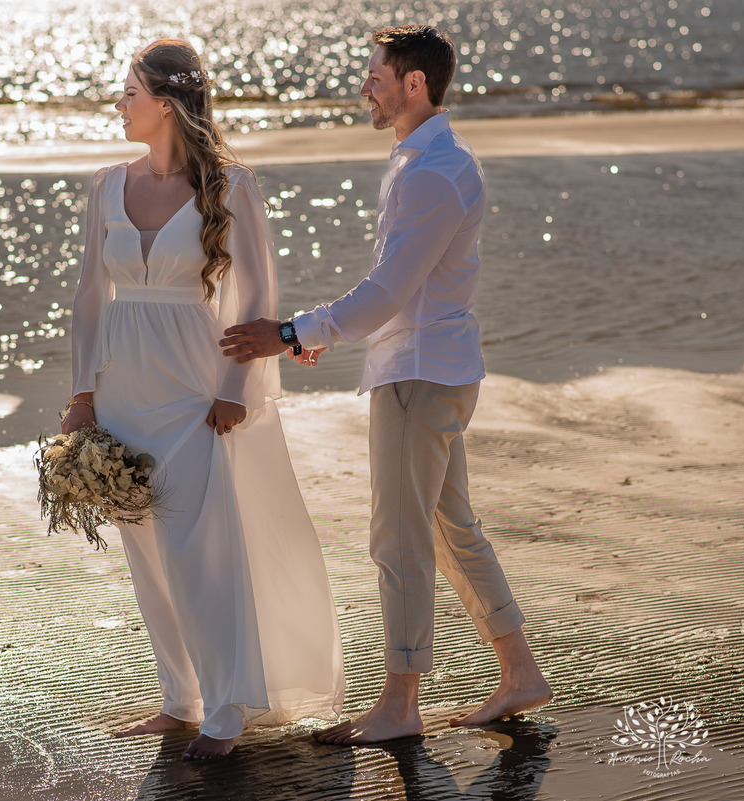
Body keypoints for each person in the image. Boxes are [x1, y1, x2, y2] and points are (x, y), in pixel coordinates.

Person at [219, 25, 552, 745]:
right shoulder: (427, 158)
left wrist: (293, 330)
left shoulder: (433, 171)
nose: (366, 84)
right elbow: (398, 291)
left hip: (420, 377)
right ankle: (520, 672)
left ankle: (400, 704)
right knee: (453, 530)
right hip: (435, 368)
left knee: (399, 541)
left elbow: (390, 290)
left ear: (415, 84)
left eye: (377, 74)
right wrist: (315, 332)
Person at [61, 39, 344, 759]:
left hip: (195, 391)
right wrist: (82, 393)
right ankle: (178, 700)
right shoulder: (105, 185)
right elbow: (91, 298)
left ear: (164, 102)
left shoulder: (231, 184)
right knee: (147, 547)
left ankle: (227, 708)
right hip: (122, 388)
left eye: (129, 92)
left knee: (200, 549)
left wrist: (236, 390)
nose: (120, 104)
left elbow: (260, 296)